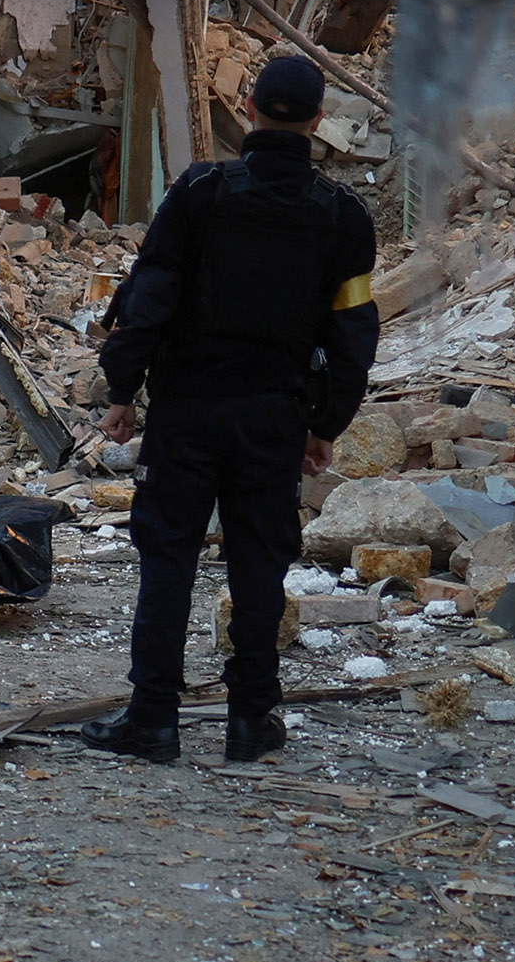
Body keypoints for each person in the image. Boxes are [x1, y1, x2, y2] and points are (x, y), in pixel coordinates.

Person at [84, 51, 381, 766]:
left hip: (187, 412)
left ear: (248, 108)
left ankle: (153, 720)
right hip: (274, 419)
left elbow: (149, 298)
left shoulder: (199, 192)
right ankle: (251, 719)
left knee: (168, 558)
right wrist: (326, 424)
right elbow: (353, 335)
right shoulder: (342, 217)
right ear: (318, 120)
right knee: (258, 564)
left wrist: (122, 391)